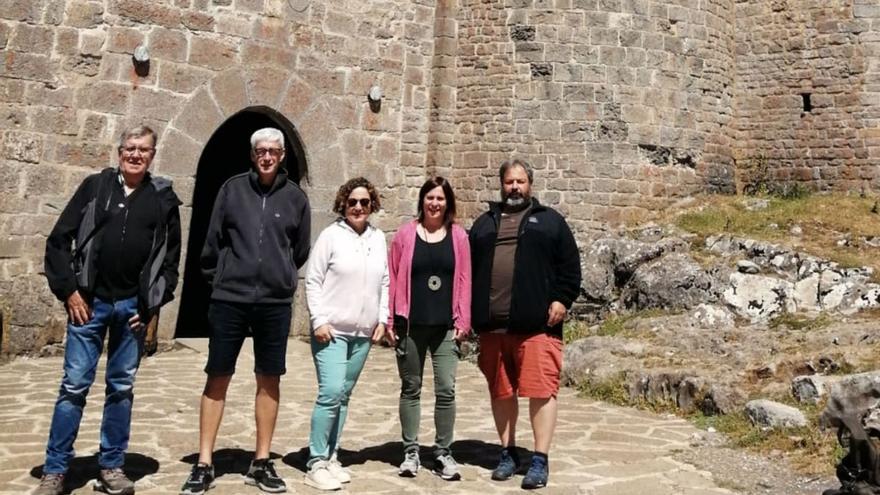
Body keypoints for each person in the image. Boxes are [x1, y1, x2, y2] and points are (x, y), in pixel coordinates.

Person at [38, 125, 182, 495]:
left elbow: (170, 264)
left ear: (153, 155)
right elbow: (58, 241)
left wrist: (151, 304)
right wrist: (69, 292)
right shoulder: (95, 187)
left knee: (121, 387)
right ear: (119, 152)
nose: (136, 155)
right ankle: (56, 470)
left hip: (131, 310)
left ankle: (112, 467)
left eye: (143, 150)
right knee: (73, 387)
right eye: (130, 148)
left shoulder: (163, 199)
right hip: (89, 304)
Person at [179, 128, 311, 495]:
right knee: (217, 375)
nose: (267, 156)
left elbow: (299, 250)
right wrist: (222, 278)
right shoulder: (232, 189)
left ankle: (262, 460)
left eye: (273, 151)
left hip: (274, 302)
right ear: (252, 156)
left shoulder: (296, 198)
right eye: (260, 151)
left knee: (269, 378)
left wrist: (280, 276)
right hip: (230, 299)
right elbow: (212, 242)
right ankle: (204, 463)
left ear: (282, 155)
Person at [469, 159, 581, 490]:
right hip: (493, 328)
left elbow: (570, 267)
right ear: (501, 185)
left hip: (537, 327)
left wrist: (561, 299)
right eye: (509, 182)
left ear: (529, 184)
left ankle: (539, 459)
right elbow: (468, 270)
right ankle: (507, 453)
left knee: (541, 392)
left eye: (520, 181)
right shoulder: (484, 224)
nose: (514, 187)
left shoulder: (550, 222)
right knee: (501, 392)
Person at [303, 177, 388, 491]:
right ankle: (315, 461)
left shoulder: (378, 238)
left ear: (372, 205)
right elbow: (312, 280)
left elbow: (384, 282)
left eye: (364, 202)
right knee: (330, 394)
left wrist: (382, 318)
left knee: (344, 396)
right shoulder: (330, 236)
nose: (358, 207)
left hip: (363, 333)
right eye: (353, 202)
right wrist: (319, 320)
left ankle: (331, 454)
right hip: (332, 331)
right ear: (343, 204)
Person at [386, 177, 471, 481]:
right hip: (411, 325)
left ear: (448, 203)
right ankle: (411, 452)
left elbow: (464, 280)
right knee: (411, 388)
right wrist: (390, 319)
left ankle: (443, 452)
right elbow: (393, 276)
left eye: (440, 198)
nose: (435, 203)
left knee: (446, 389)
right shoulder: (405, 235)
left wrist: (464, 320)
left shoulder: (458, 236)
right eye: (430, 197)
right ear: (421, 200)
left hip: (445, 327)